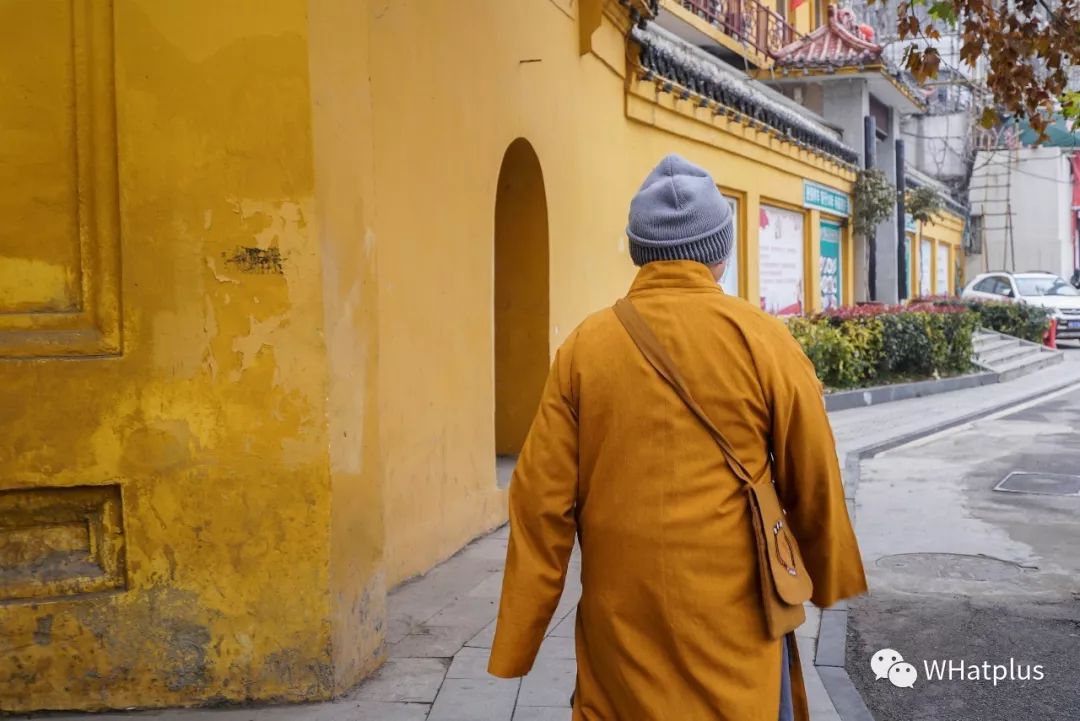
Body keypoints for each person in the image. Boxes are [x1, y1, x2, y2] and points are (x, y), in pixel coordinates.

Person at [487, 154, 867, 720]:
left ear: (638, 252)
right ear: (721, 252)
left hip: (623, 628)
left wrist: (519, 635)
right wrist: (828, 574)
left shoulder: (585, 349)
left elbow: (540, 505)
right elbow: (813, 475)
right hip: (735, 624)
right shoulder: (764, 341)